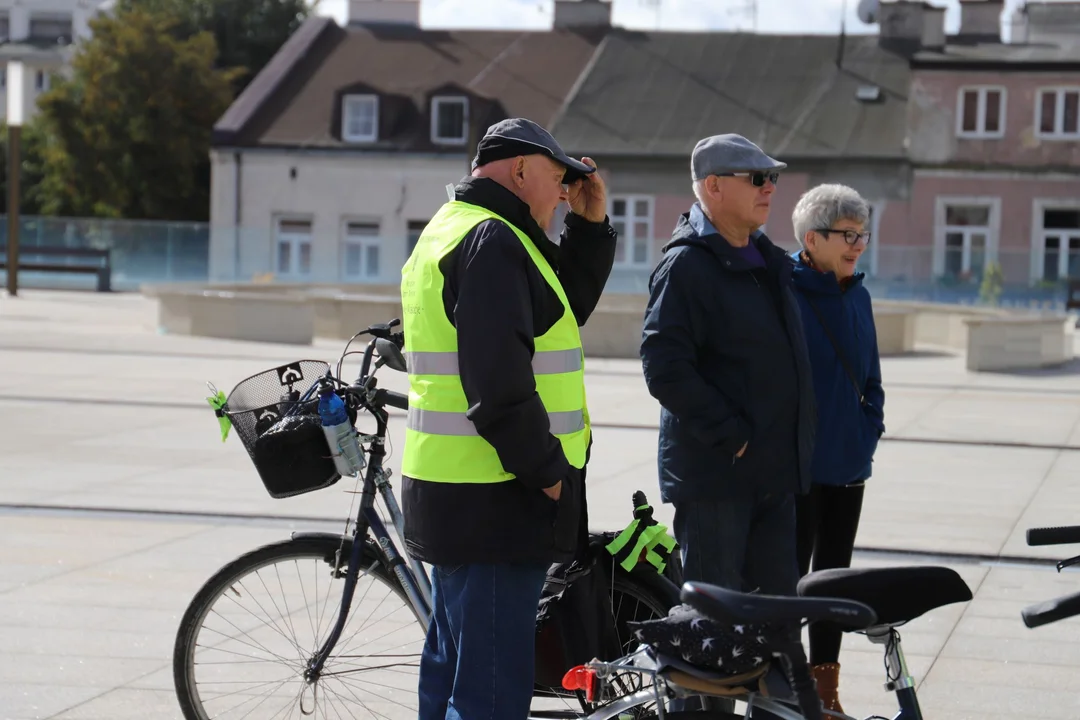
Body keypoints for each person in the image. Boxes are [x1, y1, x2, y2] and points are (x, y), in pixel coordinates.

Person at [399, 117, 616, 720]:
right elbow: (499, 387)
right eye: (556, 177)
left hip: (456, 489)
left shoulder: (456, 228)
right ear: (521, 170)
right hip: (499, 494)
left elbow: (558, 306)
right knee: (491, 691)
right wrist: (548, 474)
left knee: (454, 668)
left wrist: (590, 224)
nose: (563, 192)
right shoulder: (493, 240)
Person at [639, 133, 816, 710]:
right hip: (717, 480)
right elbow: (665, 367)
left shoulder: (769, 261)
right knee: (712, 652)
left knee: (779, 640)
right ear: (713, 186)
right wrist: (735, 436)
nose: (770, 188)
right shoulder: (687, 265)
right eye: (756, 178)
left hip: (773, 478)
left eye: (773, 178)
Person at [790, 184, 886, 714]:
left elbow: (871, 376)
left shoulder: (860, 295)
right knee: (792, 582)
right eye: (848, 235)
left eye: (862, 234)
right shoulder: (785, 290)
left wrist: (870, 425)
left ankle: (827, 696)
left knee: (836, 582)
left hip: (849, 465)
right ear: (812, 238)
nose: (858, 245)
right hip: (798, 468)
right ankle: (789, 690)